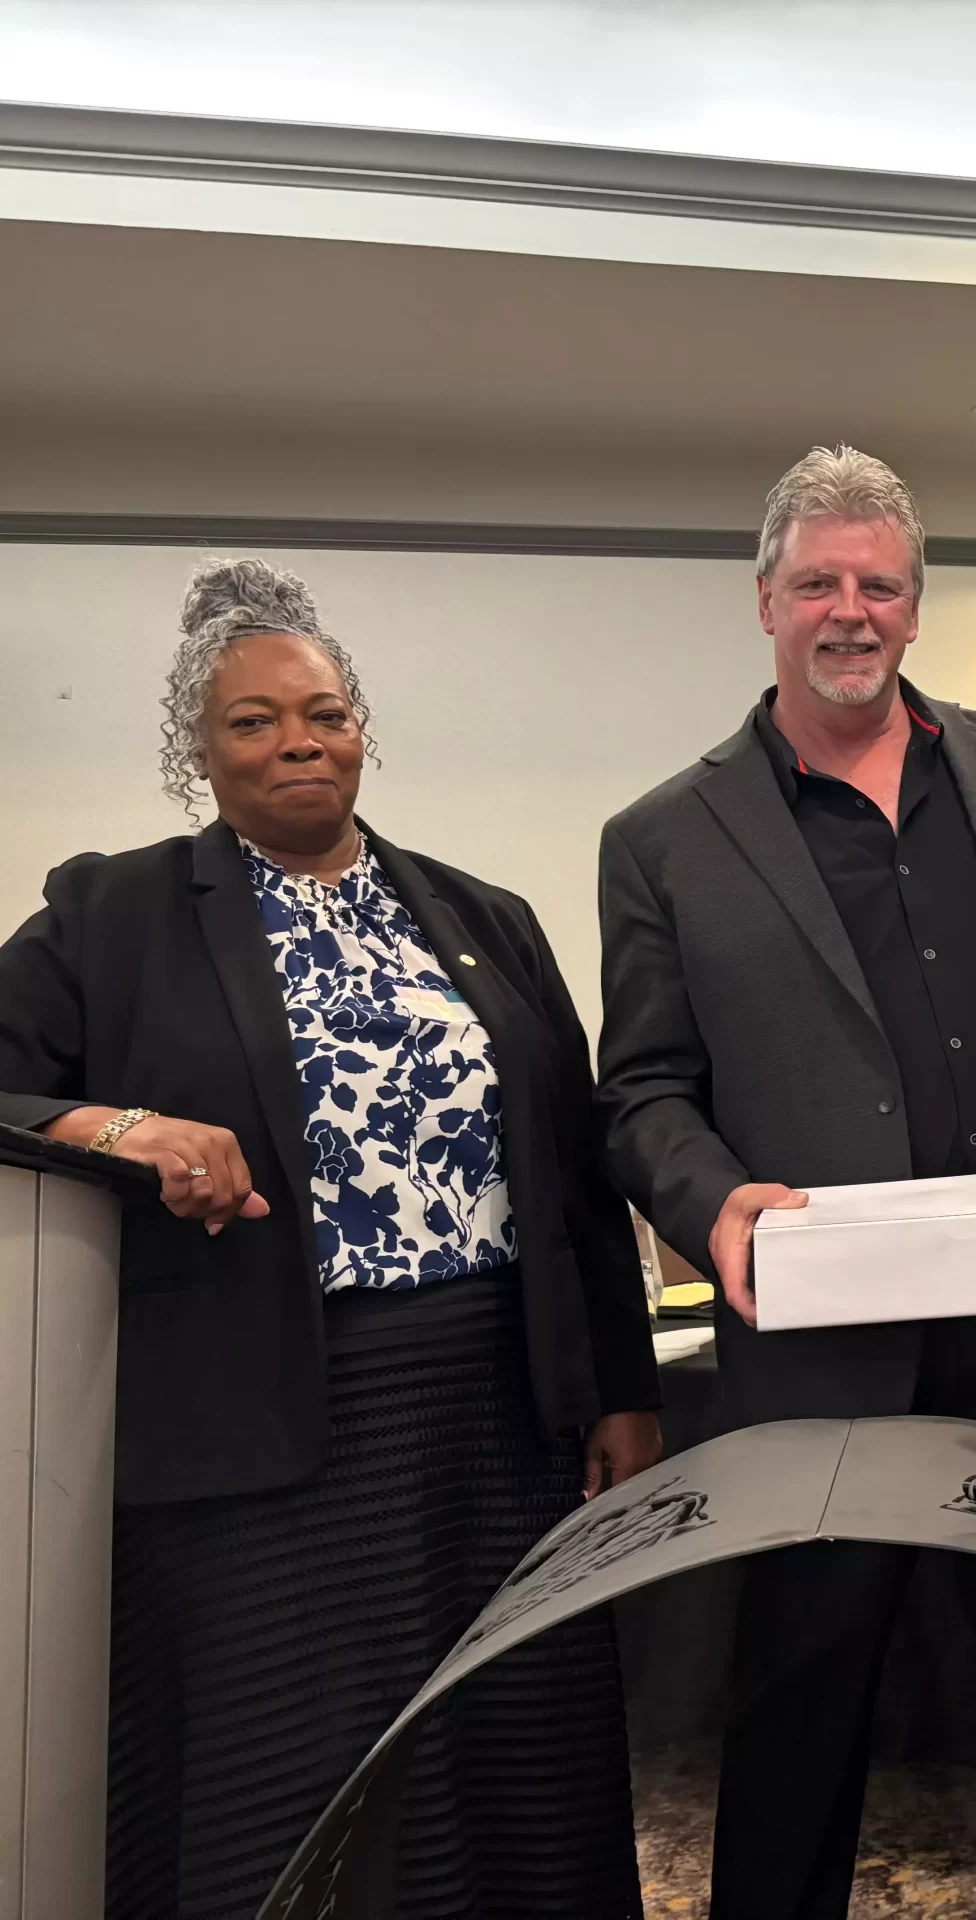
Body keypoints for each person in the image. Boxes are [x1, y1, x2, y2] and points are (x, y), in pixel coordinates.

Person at [0, 559, 661, 1917]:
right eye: (253, 721)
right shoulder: (113, 915)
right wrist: (117, 1126)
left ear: (362, 730)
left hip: (498, 1420)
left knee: (515, 1751)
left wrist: (622, 1388)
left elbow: (575, 1173)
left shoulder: (483, 918)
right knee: (297, 1778)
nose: (297, 743)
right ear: (198, 751)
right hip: (259, 1429)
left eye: (325, 714)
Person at [595, 447, 976, 1920]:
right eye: (819, 583)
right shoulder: (663, 838)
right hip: (823, 1328)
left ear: (915, 605)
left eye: (879, 585)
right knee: (805, 1685)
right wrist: (711, 1200)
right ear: (766, 600)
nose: (851, 612)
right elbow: (640, 1090)